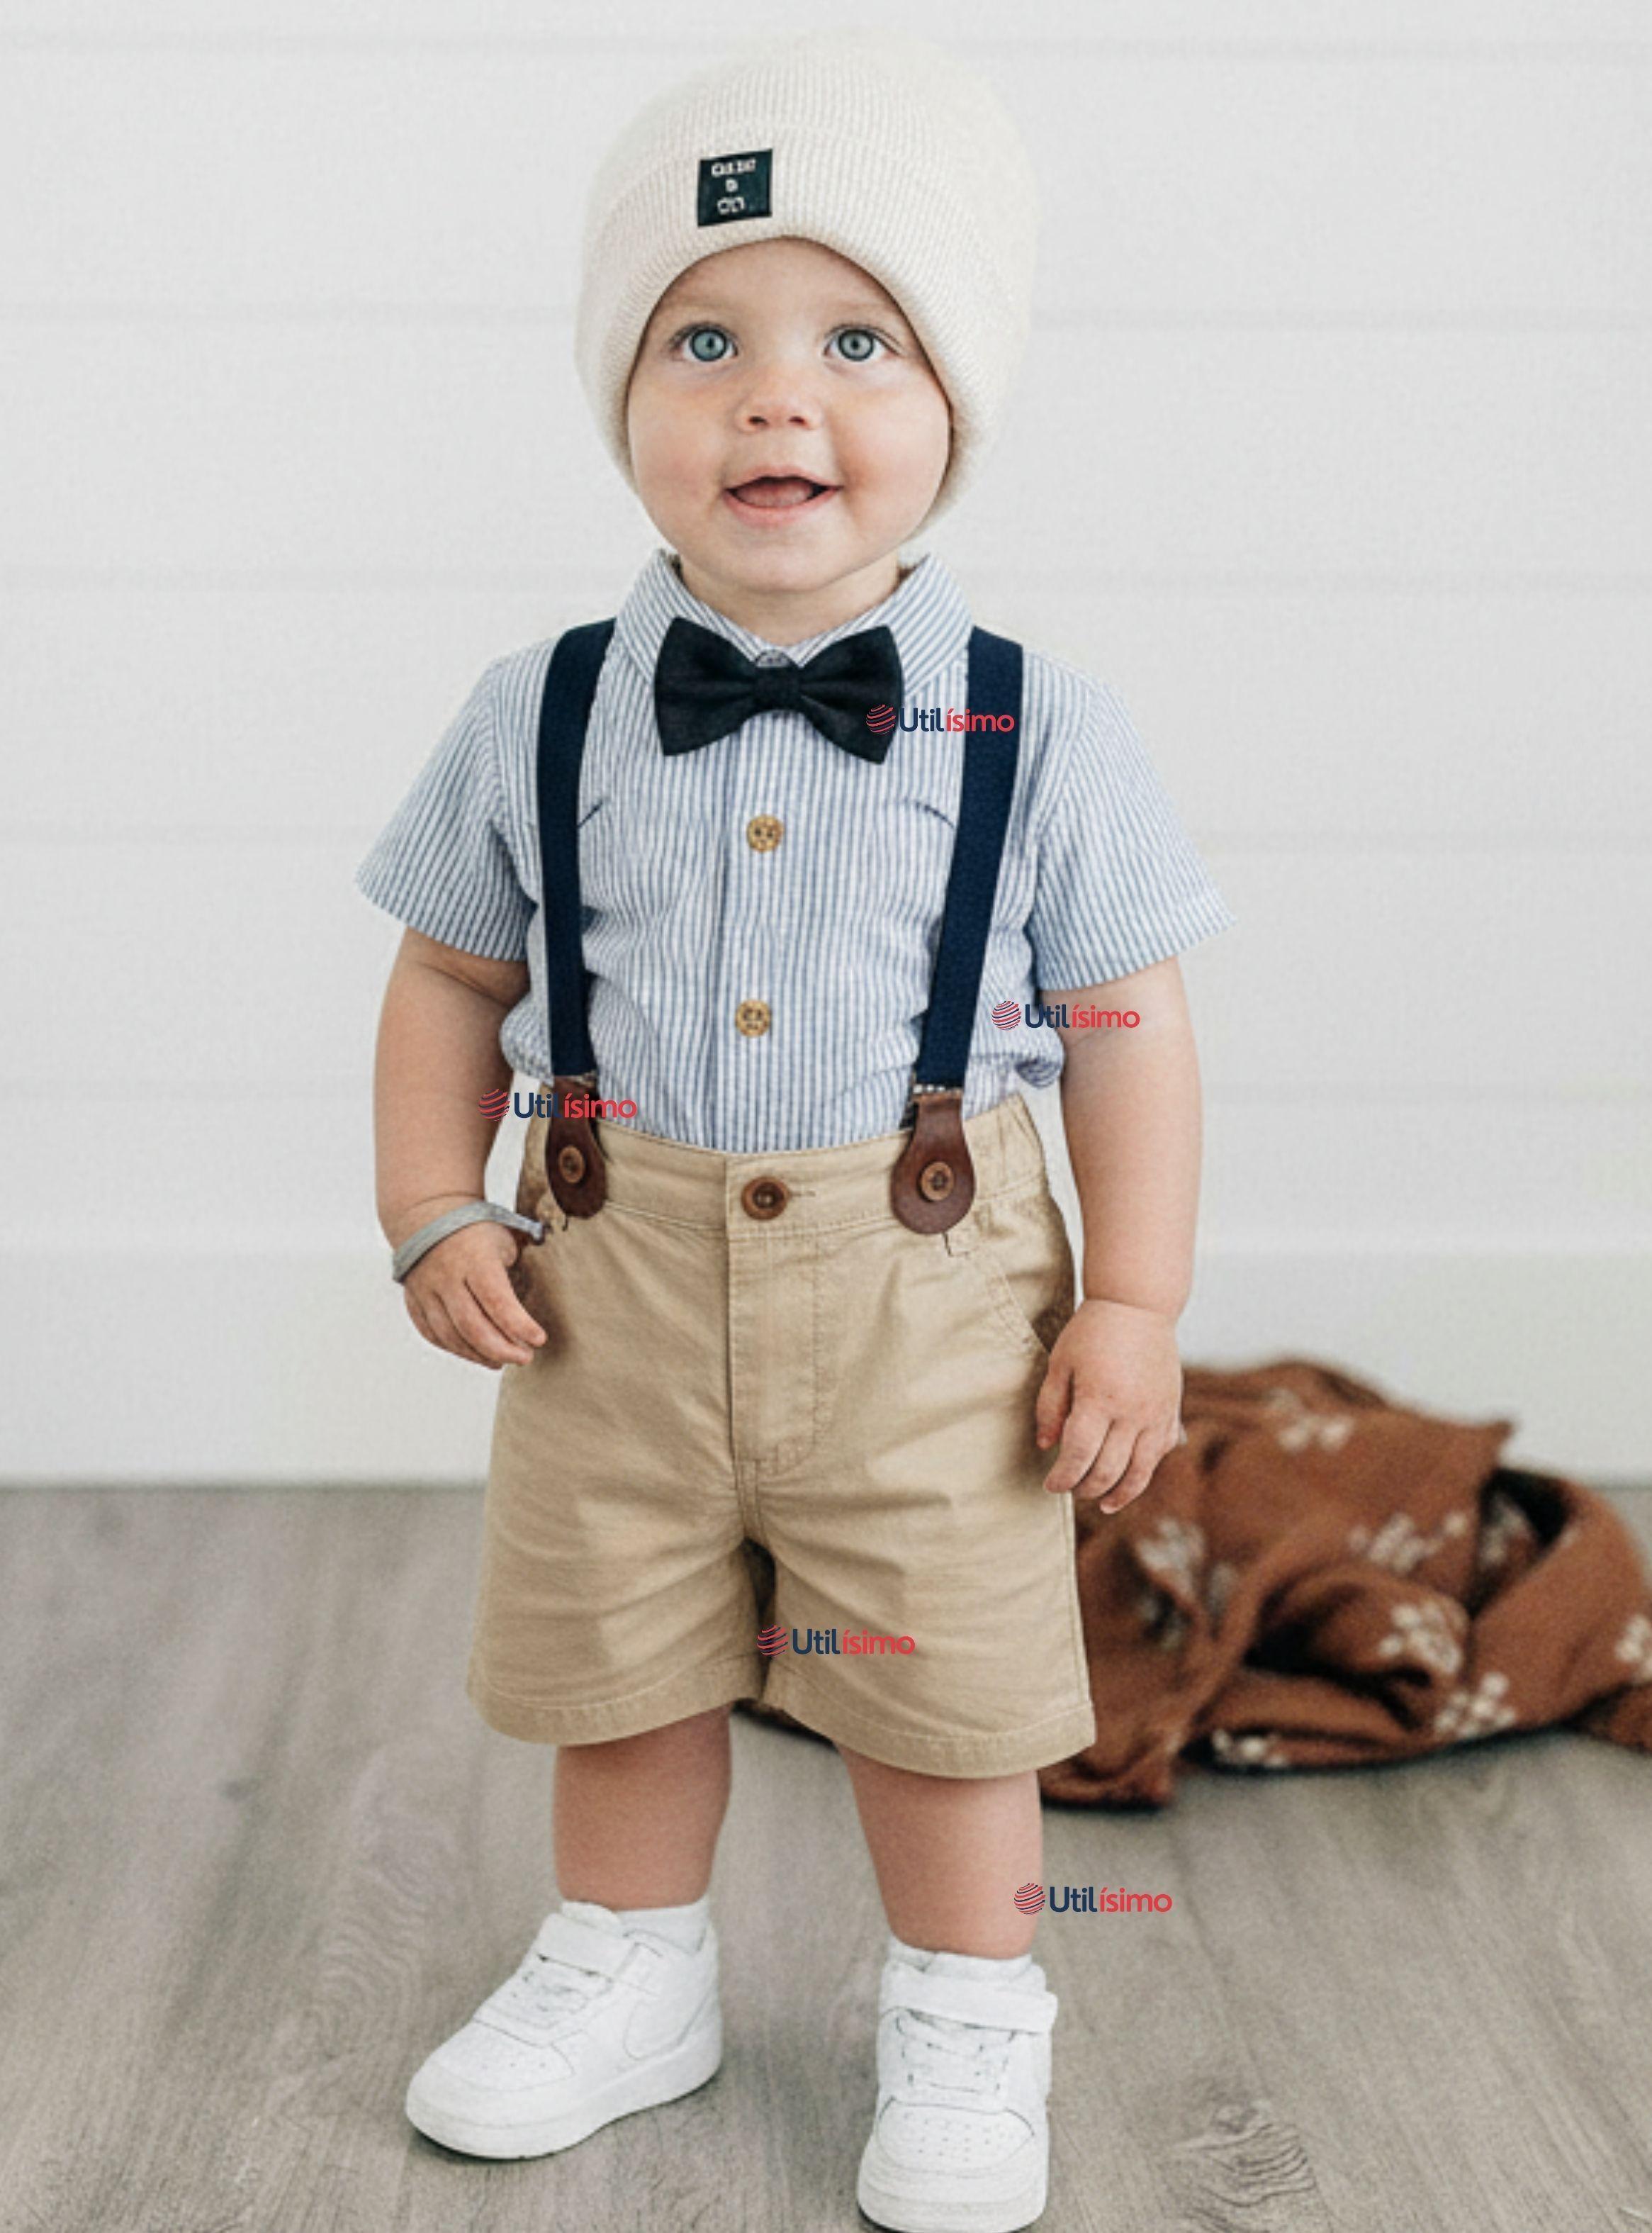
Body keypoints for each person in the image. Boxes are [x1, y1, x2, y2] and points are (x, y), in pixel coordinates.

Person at [355, 28, 1234, 2233]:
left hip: (929, 1313)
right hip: (604, 1300)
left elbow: (1127, 1031)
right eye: (705, 339)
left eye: (858, 338)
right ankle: (630, 1965)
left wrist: (1130, 1304)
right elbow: (454, 976)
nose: (777, 396)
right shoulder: (534, 705)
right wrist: (418, 1207)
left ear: (952, 404)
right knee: (615, 1649)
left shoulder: (1045, 723)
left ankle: (965, 2007)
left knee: (935, 1679)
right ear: (622, 401)